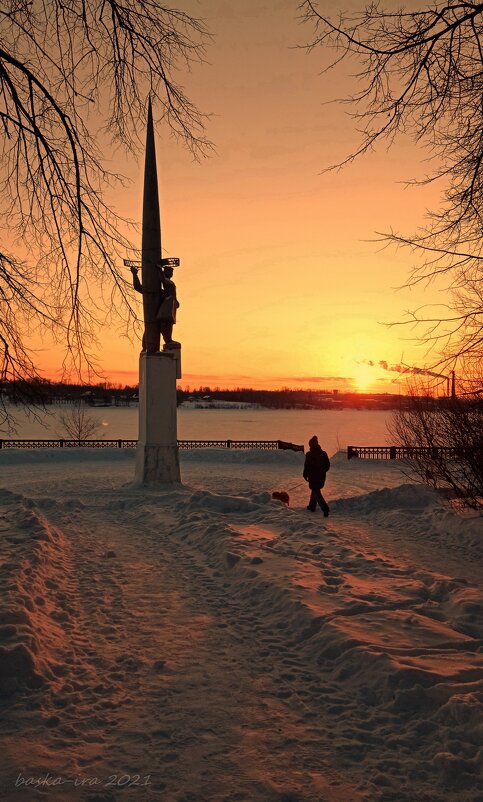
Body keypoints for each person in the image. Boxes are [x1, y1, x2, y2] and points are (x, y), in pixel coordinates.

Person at [131, 261, 180, 350]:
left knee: (161, 326)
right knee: (157, 326)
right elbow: (164, 281)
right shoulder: (159, 291)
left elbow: (138, 287)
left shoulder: (162, 292)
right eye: (170, 271)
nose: (171, 273)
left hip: (163, 313)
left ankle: (165, 342)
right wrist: (135, 274)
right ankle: (152, 346)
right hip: (161, 314)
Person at [303, 435, 330, 516]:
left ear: (311, 445)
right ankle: (312, 506)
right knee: (315, 490)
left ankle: (325, 508)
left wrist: (305, 475)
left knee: (316, 492)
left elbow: (306, 466)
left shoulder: (309, 454)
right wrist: (322, 471)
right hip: (322, 477)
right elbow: (327, 465)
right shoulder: (323, 453)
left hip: (313, 476)